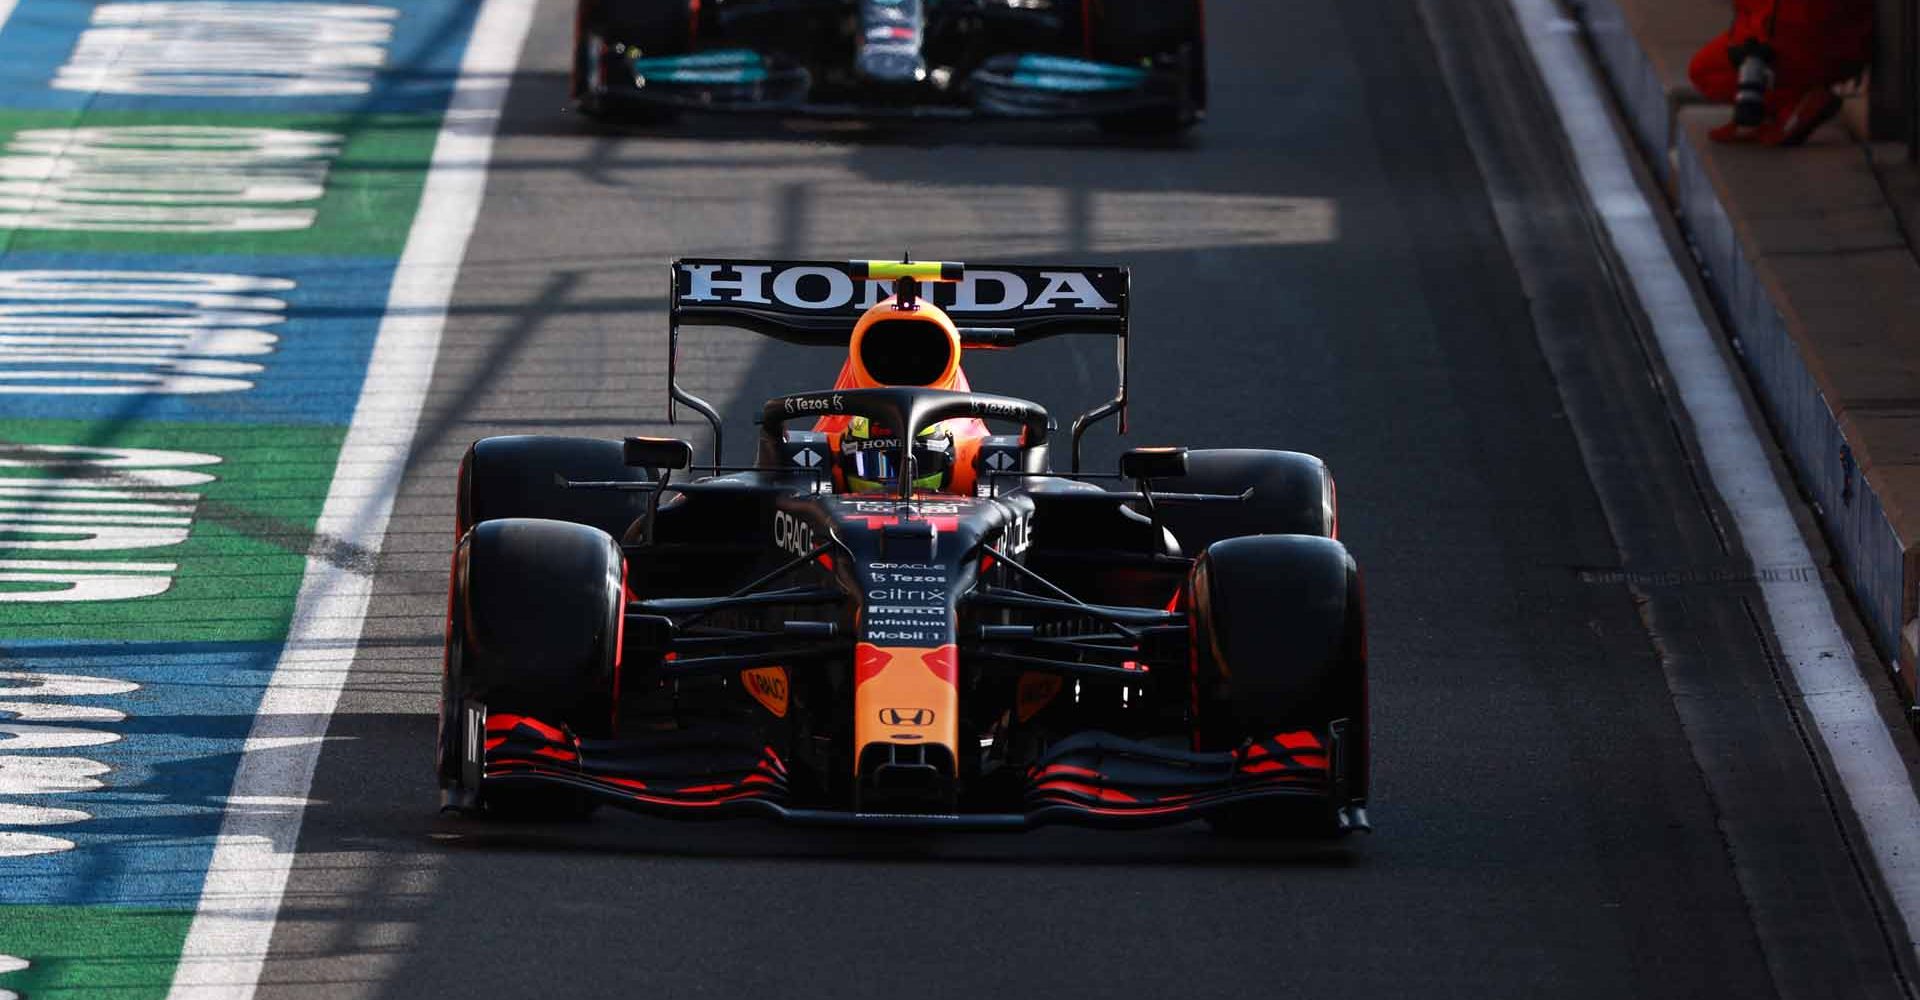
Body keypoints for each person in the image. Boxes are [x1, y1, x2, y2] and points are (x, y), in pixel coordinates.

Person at [1689, 0, 1872, 145]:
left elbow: (1772, 24)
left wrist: (1748, 49)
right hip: (1845, 48)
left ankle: (1793, 104)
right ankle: (1793, 102)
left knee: (1706, 71)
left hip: (1807, 49)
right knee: (1706, 69)